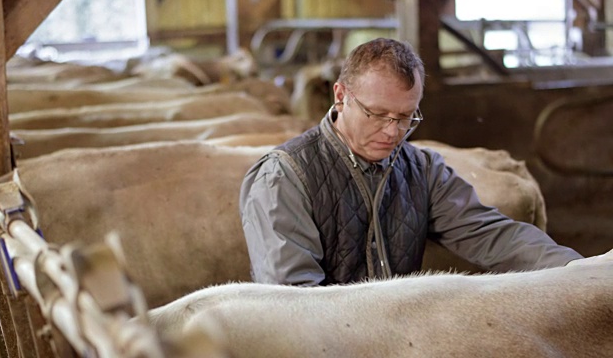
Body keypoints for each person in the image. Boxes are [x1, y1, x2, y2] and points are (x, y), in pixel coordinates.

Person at [238, 38, 585, 286]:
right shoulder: (285, 176)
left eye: (406, 117)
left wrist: (579, 270)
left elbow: (492, 235)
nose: (392, 132)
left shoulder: (421, 169)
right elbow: (291, 301)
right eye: (377, 114)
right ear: (341, 96)